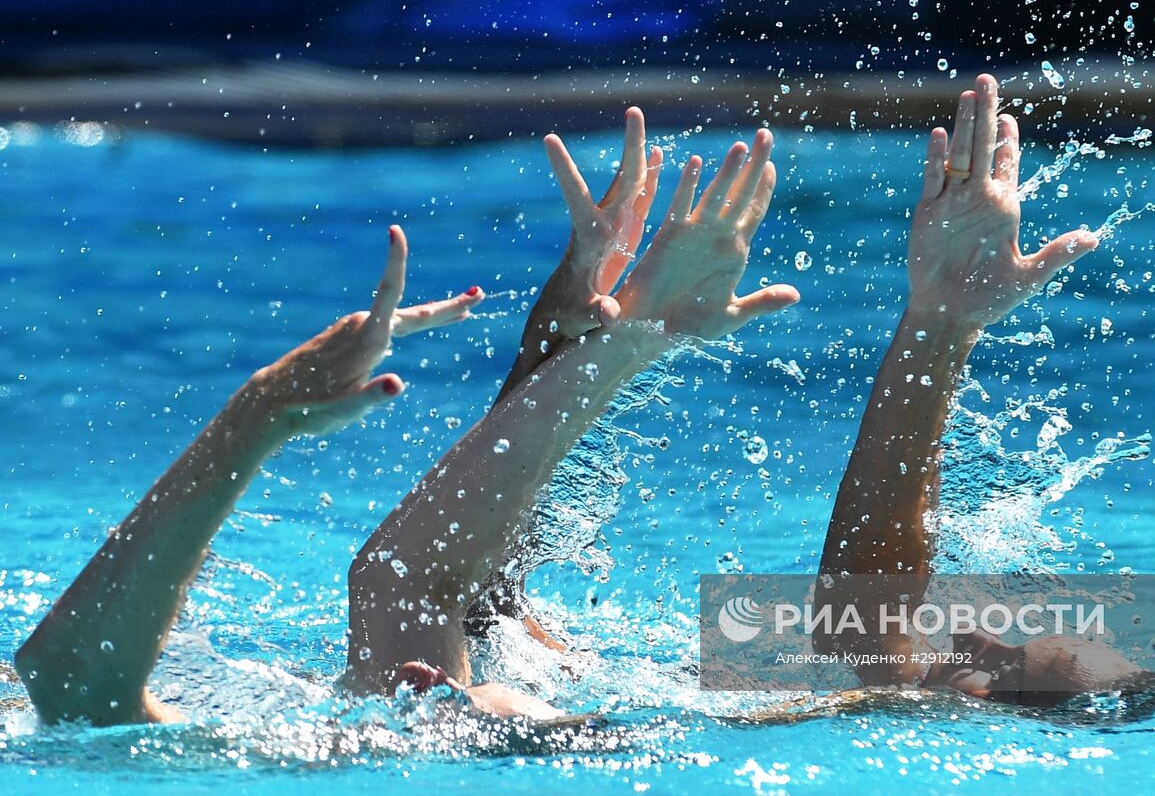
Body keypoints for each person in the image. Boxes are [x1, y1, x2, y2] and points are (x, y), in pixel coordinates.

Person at [13, 110, 799, 725]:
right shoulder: (777, 678)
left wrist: (570, 348)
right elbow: (440, 590)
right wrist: (603, 344)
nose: (438, 687)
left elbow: (74, 685)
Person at [814, 73, 1142, 705]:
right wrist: (943, 322)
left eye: (1008, 669)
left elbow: (857, 627)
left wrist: (939, 326)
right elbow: (856, 630)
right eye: (1013, 646)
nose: (972, 639)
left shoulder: (851, 716)